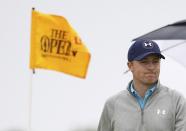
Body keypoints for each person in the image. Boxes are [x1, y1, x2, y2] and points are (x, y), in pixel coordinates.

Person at [97, 39, 186, 131]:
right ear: (130, 66)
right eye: (144, 62)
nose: (151, 67)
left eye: (155, 61)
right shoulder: (112, 104)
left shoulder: (176, 101)